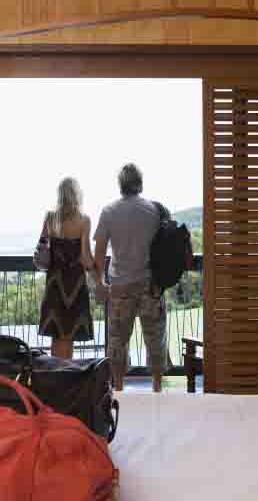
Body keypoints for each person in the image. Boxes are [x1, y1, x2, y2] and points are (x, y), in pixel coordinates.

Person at [93, 163, 166, 392]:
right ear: (140, 182)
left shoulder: (108, 212)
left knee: (117, 341)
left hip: (120, 287)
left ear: (120, 184)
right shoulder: (154, 210)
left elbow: (99, 254)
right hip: (149, 285)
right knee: (154, 338)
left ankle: (119, 388)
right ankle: (156, 387)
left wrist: (99, 283)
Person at [38, 177, 95, 359]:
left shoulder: (50, 217)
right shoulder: (84, 221)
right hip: (75, 285)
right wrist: (96, 267)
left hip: (54, 283)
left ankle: (55, 379)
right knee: (69, 335)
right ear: (77, 195)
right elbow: (86, 259)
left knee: (57, 334)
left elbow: (41, 248)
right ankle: (66, 379)